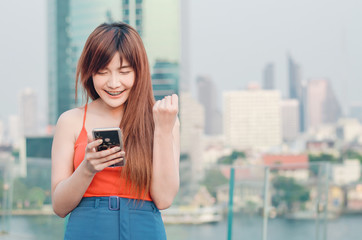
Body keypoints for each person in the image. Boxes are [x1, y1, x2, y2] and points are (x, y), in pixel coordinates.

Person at [51, 22, 180, 240]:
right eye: (102, 72)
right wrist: (87, 168)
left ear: (139, 72)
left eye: (124, 72)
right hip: (87, 229)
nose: (113, 83)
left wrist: (163, 131)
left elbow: (164, 199)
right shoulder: (70, 121)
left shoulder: (163, 121)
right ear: (90, 72)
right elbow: (59, 206)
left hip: (145, 229)